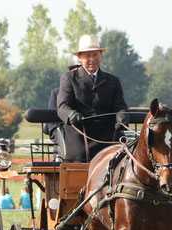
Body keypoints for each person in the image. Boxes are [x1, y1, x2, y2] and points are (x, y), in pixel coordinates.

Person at [57, 34, 129, 162]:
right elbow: (62, 106)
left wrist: (122, 116)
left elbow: (120, 107)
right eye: (87, 56)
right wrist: (71, 115)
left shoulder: (113, 81)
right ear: (79, 57)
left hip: (107, 141)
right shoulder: (69, 79)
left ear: (101, 55)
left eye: (95, 55)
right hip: (79, 141)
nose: (92, 59)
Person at [44, 55, 82, 158]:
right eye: (75, 70)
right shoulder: (57, 94)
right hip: (65, 148)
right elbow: (53, 128)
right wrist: (68, 143)